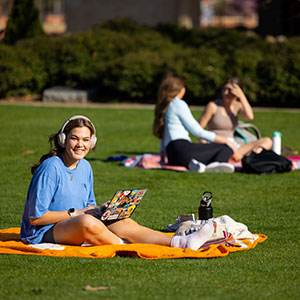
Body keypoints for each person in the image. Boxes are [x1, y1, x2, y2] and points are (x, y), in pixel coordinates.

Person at [20, 115, 214, 250]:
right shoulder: (51, 167)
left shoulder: (85, 166)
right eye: (74, 139)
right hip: (42, 232)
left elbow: (87, 206)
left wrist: (103, 209)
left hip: (74, 222)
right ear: (63, 140)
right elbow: (36, 218)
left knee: (121, 220)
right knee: (87, 222)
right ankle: (126, 246)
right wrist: (77, 213)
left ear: (92, 142)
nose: (80, 145)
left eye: (85, 140)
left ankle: (181, 242)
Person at [153, 73, 237, 173]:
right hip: (182, 149)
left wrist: (162, 159)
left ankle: (199, 166)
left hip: (172, 157)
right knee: (226, 148)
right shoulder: (178, 104)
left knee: (206, 150)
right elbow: (198, 132)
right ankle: (217, 164)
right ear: (181, 89)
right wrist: (226, 141)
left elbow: (163, 137)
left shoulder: (165, 106)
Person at [199, 77, 272, 160]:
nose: (225, 93)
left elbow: (250, 117)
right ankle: (243, 158)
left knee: (267, 141)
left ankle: (249, 158)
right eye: (224, 89)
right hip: (215, 145)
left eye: (229, 90)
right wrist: (206, 147)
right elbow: (198, 130)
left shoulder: (237, 105)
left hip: (233, 145)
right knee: (232, 153)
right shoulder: (213, 106)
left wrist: (241, 96)